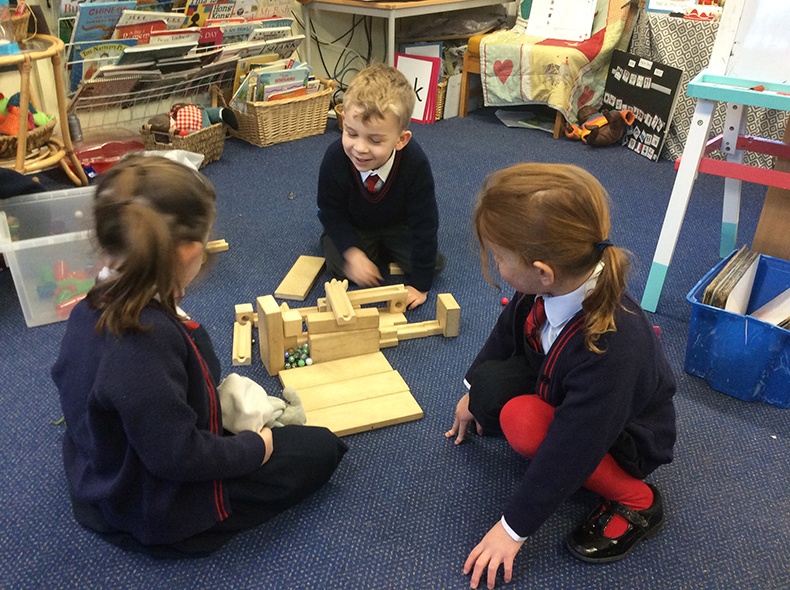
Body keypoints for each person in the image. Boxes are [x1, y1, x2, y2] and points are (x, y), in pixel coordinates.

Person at [52, 155, 347, 558]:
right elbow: (179, 457)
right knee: (321, 448)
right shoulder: (146, 345)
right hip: (153, 504)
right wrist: (256, 448)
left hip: (104, 468)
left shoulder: (90, 307)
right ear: (189, 251)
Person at [445, 163, 676, 588]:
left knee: (524, 423)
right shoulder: (545, 284)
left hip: (625, 436)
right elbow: (506, 334)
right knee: (488, 392)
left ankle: (638, 501)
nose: (495, 265)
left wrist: (512, 530)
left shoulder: (613, 345)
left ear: (543, 271)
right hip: (559, 378)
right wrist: (470, 391)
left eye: (499, 258)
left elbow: (575, 443)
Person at [317, 63, 441, 310]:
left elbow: (425, 223)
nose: (360, 148)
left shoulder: (415, 163)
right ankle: (370, 252)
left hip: (398, 225)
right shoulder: (335, 158)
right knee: (339, 265)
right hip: (355, 225)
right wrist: (353, 253)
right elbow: (330, 212)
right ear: (343, 121)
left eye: (375, 140)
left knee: (432, 264)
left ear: (401, 140)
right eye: (352, 134)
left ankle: (380, 251)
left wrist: (420, 285)